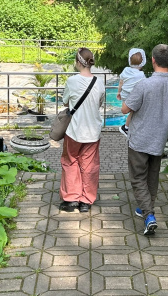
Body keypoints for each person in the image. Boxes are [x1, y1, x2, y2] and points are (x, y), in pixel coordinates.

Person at [121, 44, 168, 235]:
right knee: (152, 175)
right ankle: (144, 208)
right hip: (159, 138)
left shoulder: (144, 85)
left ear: (153, 60)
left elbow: (125, 109)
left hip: (140, 138)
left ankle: (149, 215)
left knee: (138, 177)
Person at [59, 47, 106, 213]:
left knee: (70, 161)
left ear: (78, 62)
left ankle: (71, 198)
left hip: (74, 130)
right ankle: (86, 201)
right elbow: (98, 104)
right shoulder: (100, 83)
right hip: (93, 131)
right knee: (90, 165)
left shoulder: (72, 82)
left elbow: (65, 102)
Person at [116, 48, 146, 137]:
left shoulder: (125, 70)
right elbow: (143, 86)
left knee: (132, 111)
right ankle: (126, 127)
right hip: (133, 96)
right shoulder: (141, 75)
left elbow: (121, 82)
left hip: (125, 95)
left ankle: (127, 127)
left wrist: (118, 92)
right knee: (134, 111)